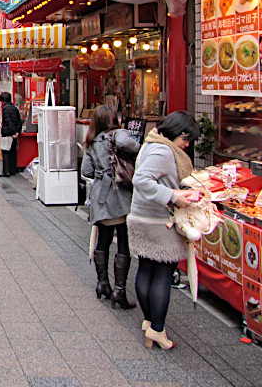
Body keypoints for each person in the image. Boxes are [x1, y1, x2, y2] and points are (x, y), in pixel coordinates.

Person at [128, 111, 201, 350]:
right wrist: (172, 196)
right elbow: (141, 180)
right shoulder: (163, 150)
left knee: (146, 269)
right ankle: (157, 330)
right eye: (186, 140)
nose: (187, 145)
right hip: (159, 220)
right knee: (162, 273)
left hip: (141, 216)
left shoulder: (151, 143)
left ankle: (149, 323)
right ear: (178, 133)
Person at [81, 105, 140, 309]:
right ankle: (119, 290)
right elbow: (134, 147)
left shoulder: (91, 140)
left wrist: (101, 172)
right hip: (120, 194)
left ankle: (102, 284)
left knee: (103, 240)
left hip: (100, 196)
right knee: (124, 241)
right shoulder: (119, 135)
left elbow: (86, 171)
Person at [0, 92, 21, 178]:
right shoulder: (15, 108)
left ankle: (6, 171)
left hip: (8, 133)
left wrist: (12, 132)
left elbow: (8, 122)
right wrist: (17, 132)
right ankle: (12, 170)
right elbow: (19, 121)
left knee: (6, 151)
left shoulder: (5, 109)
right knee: (13, 152)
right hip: (14, 134)